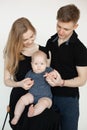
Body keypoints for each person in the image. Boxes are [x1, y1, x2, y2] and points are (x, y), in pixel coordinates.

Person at [3, 17, 59, 130]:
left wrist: (52, 79)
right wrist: (20, 84)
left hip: (43, 93)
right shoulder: (12, 53)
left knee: (48, 118)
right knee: (27, 122)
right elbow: (6, 80)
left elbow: (48, 73)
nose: (30, 41)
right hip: (22, 96)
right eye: (25, 39)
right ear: (17, 39)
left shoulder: (44, 51)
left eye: (32, 36)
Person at [45, 4, 87, 130]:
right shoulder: (50, 42)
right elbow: (45, 67)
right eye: (59, 26)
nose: (61, 32)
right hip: (48, 96)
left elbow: (82, 80)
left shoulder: (80, 49)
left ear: (75, 26)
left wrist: (61, 82)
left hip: (68, 100)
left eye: (66, 29)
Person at [11, 50, 53, 125]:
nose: (39, 66)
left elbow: (55, 77)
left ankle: (33, 112)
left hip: (45, 97)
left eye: (42, 64)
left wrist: (51, 76)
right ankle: (16, 116)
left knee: (44, 103)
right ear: (31, 64)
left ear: (46, 64)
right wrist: (27, 83)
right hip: (32, 95)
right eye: (36, 64)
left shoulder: (49, 71)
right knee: (22, 99)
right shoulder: (30, 73)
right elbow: (25, 81)